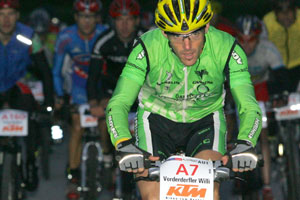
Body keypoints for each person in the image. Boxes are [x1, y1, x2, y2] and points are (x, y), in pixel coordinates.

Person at [105, 0, 263, 199]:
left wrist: (246, 142)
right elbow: (118, 102)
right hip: (156, 121)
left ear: (206, 27)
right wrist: (123, 143)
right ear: (164, 32)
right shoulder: (147, 47)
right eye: (177, 36)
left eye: (194, 34)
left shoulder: (227, 47)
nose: (187, 46)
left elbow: (248, 105)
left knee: (209, 192)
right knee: (152, 195)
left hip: (204, 121)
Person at [86, 0, 145, 198]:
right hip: (112, 95)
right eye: (120, 20)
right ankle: (107, 158)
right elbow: (93, 77)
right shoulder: (104, 41)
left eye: (129, 20)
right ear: (113, 22)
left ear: (137, 21)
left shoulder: (147, 40)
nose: (125, 25)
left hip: (141, 97)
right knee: (105, 120)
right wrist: (94, 102)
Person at [52, 0, 107, 198]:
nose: (86, 21)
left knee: (105, 124)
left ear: (96, 18)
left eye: (91, 17)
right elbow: (56, 71)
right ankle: (73, 176)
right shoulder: (66, 37)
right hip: (78, 85)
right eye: (83, 17)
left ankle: (108, 162)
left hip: (100, 85)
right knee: (76, 124)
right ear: (76, 17)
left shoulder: (105, 32)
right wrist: (59, 96)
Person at [0, 0, 54, 191]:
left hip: (16, 87)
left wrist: (48, 106)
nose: (6, 19)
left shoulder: (28, 36)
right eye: (1, 14)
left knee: (31, 116)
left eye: (10, 14)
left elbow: (45, 72)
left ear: (17, 16)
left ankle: (30, 162)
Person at [235, 15, 290, 200]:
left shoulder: (268, 49)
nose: (247, 45)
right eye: (242, 40)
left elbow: (281, 76)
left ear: (258, 39)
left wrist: (281, 96)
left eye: (251, 40)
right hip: (240, 88)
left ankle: (267, 186)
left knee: (262, 133)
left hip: (262, 87)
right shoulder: (232, 51)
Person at [263, 0, 300, 92]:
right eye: (281, 12)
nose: (285, 16)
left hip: (298, 63)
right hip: (276, 67)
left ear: (295, 10)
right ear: (275, 13)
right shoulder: (267, 22)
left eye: (289, 11)